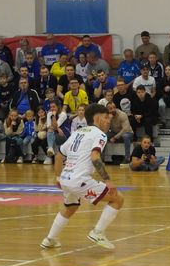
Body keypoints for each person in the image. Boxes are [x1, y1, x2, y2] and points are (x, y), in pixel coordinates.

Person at [41, 103, 124, 250]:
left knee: (70, 207)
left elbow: (59, 156)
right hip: (79, 180)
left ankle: (50, 239)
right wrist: (108, 180)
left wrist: (58, 177)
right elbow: (95, 157)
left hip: (66, 179)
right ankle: (98, 232)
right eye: (106, 117)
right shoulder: (99, 134)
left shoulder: (77, 133)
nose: (108, 120)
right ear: (97, 117)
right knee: (118, 198)